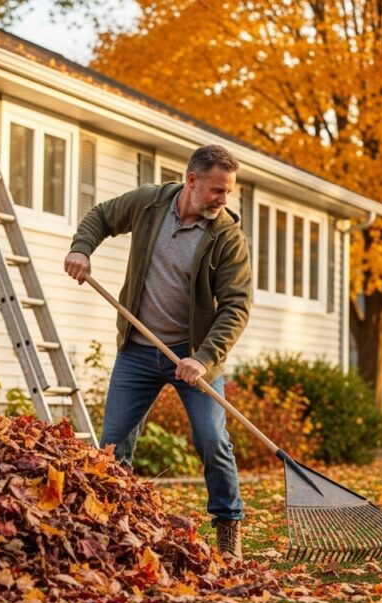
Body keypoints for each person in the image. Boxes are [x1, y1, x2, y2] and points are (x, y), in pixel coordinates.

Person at [63, 144, 252, 560]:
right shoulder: (149, 204)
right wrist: (82, 248)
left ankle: (227, 523)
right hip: (137, 349)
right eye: (217, 190)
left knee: (211, 439)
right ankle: (115, 526)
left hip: (192, 356)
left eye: (228, 192)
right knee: (113, 445)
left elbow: (237, 307)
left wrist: (202, 358)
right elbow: (100, 217)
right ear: (191, 180)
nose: (223, 200)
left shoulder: (227, 238)